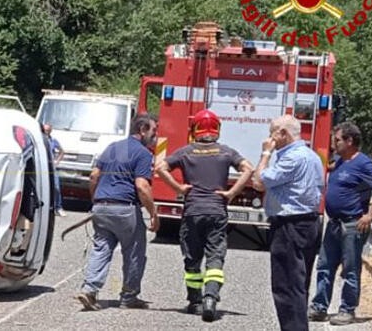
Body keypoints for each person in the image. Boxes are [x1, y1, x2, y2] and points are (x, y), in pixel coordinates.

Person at [155, 109, 254, 322]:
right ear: (216, 128)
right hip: (217, 210)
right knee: (215, 255)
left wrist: (179, 188)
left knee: (192, 258)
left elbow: (160, 167)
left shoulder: (186, 152)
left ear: (195, 129)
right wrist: (231, 193)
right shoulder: (226, 152)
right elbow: (248, 169)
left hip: (193, 211)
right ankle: (211, 297)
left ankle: (195, 301)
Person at [309, 123, 372, 325]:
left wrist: (370, 215)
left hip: (352, 225)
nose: (333, 143)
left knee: (350, 269)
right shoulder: (339, 161)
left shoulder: (364, 164)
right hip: (334, 224)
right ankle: (319, 307)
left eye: (337, 139)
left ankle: (347, 310)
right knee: (324, 266)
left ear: (349, 141)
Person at [75, 114, 159, 311]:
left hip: (101, 206)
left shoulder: (112, 147)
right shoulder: (143, 153)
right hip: (125, 208)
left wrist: (96, 201)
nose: (155, 136)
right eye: (154, 131)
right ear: (143, 130)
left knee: (101, 248)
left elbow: (94, 175)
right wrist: (153, 213)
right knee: (134, 252)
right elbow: (142, 186)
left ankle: (89, 290)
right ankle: (129, 296)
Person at [253, 115, 324, 331]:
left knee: (286, 285)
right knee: (299, 284)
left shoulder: (292, 158)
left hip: (289, 225)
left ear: (283, 133)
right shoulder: (311, 156)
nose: (270, 137)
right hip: (308, 223)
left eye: (272, 132)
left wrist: (266, 153)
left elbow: (258, 181)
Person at [42, 123, 66, 217]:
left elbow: (62, 151)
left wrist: (57, 161)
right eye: (44, 130)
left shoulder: (53, 141)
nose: (46, 132)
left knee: (56, 187)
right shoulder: (40, 140)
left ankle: (58, 207)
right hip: (43, 167)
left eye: (48, 130)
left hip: (52, 167)